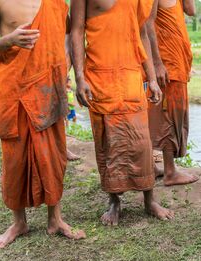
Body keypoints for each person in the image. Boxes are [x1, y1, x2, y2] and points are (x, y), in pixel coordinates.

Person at [0, 0, 86, 248]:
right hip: (14, 87)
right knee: (14, 159)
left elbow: (68, 32)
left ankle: (55, 219)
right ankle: (19, 222)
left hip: (48, 86)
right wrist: (8, 40)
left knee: (53, 156)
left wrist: (65, 63)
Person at [71, 0, 174, 226]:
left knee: (141, 142)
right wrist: (79, 77)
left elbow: (143, 33)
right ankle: (114, 201)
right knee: (108, 143)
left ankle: (149, 199)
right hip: (100, 75)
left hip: (131, 74)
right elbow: (76, 32)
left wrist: (152, 79)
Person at [146, 0, 199, 186]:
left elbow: (191, 10)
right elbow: (148, 23)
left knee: (165, 114)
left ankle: (152, 167)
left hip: (177, 61)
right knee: (168, 115)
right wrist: (157, 63)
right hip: (167, 63)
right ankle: (170, 172)